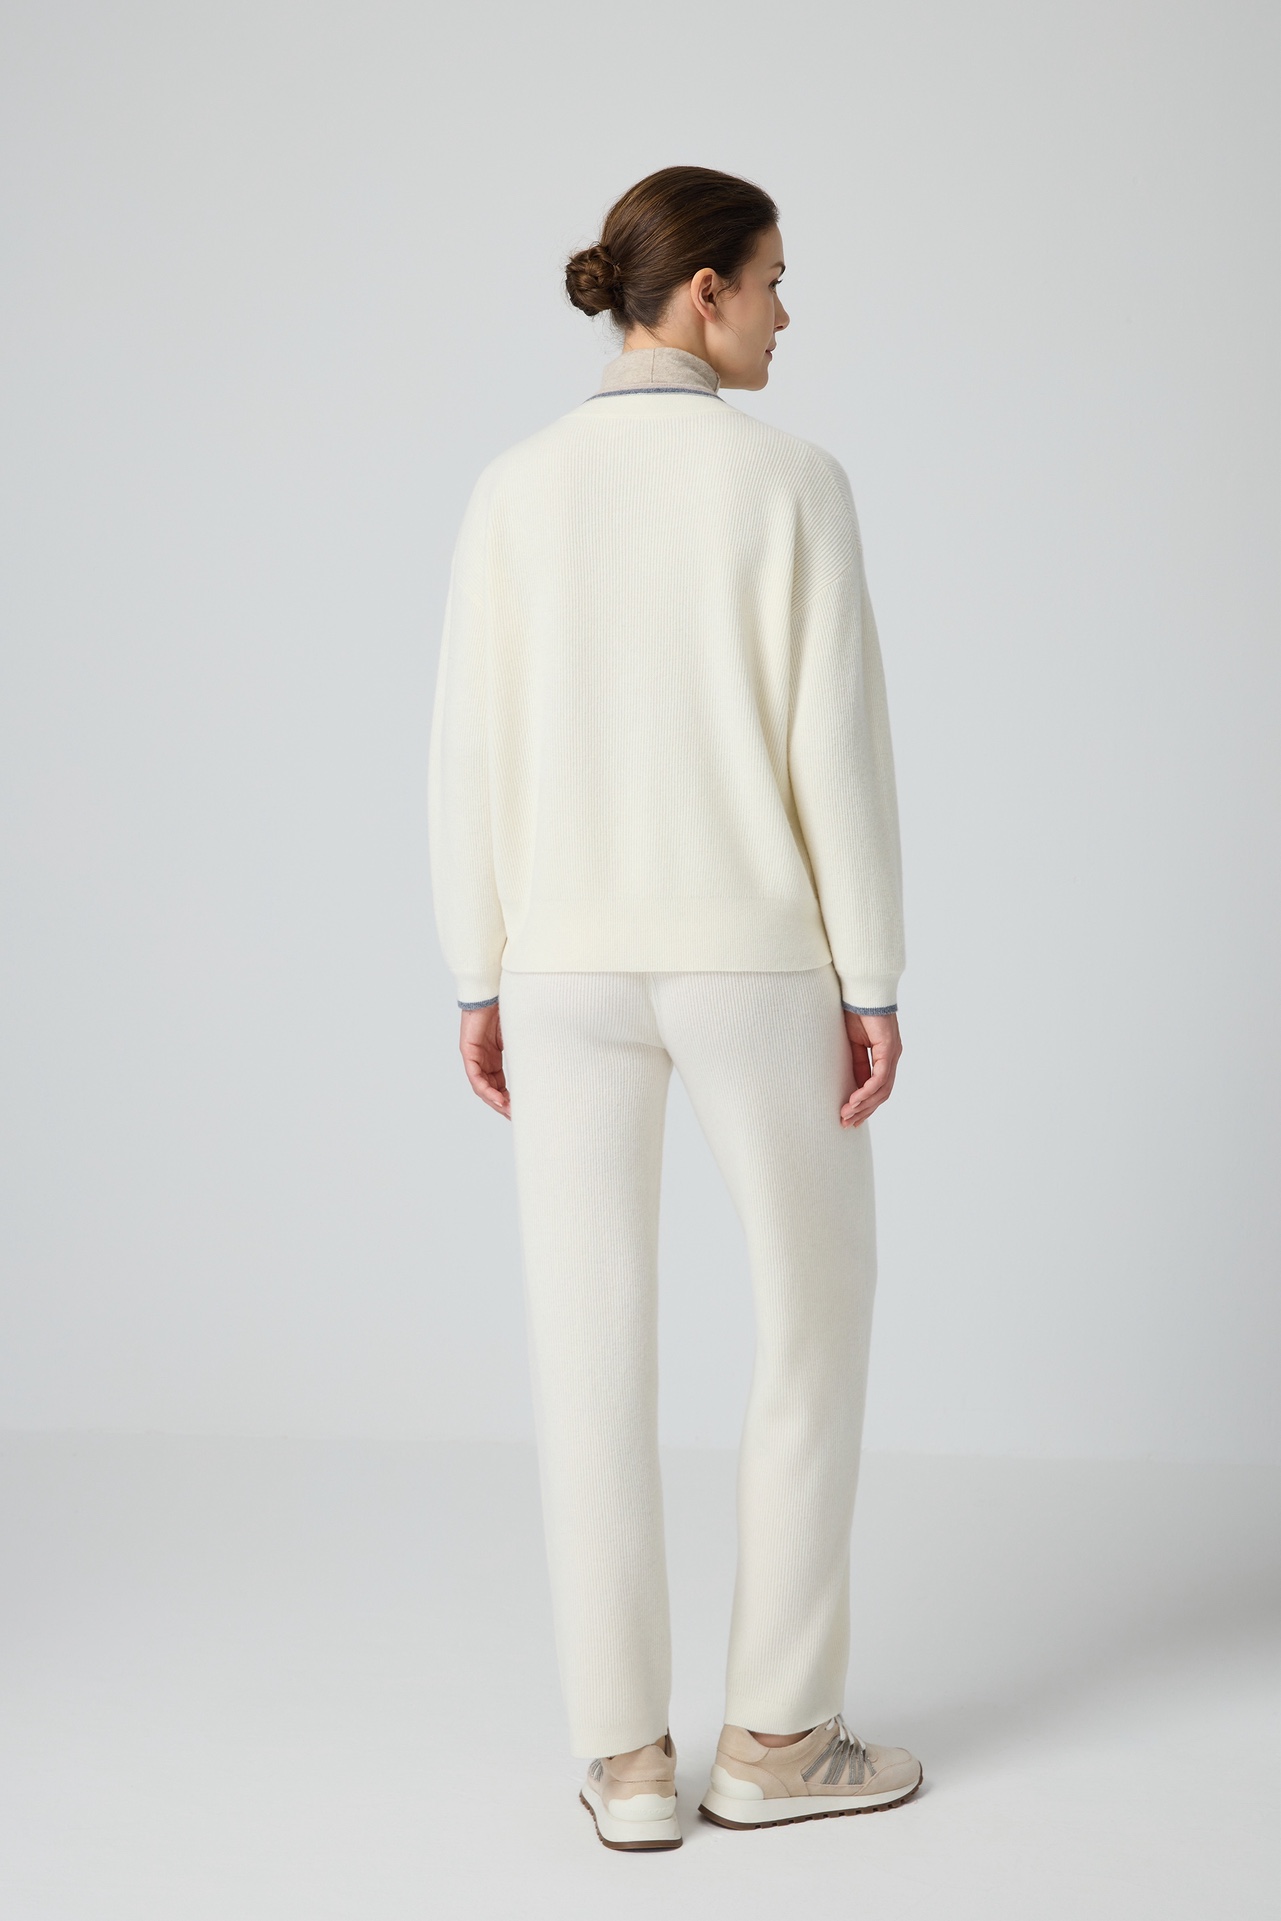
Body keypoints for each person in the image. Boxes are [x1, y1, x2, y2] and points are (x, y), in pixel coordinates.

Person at [427, 164, 922, 1851]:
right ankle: (775, 1736)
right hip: (751, 957)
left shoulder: (512, 488)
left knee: (585, 1342)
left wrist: (478, 967)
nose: (787, 311)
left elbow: (467, 746)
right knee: (812, 1318)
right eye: (773, 278)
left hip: (558, 966)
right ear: (701, 292)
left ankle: (626, 1759)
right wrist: (871, 977)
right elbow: (834, 750)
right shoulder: (792, 483)